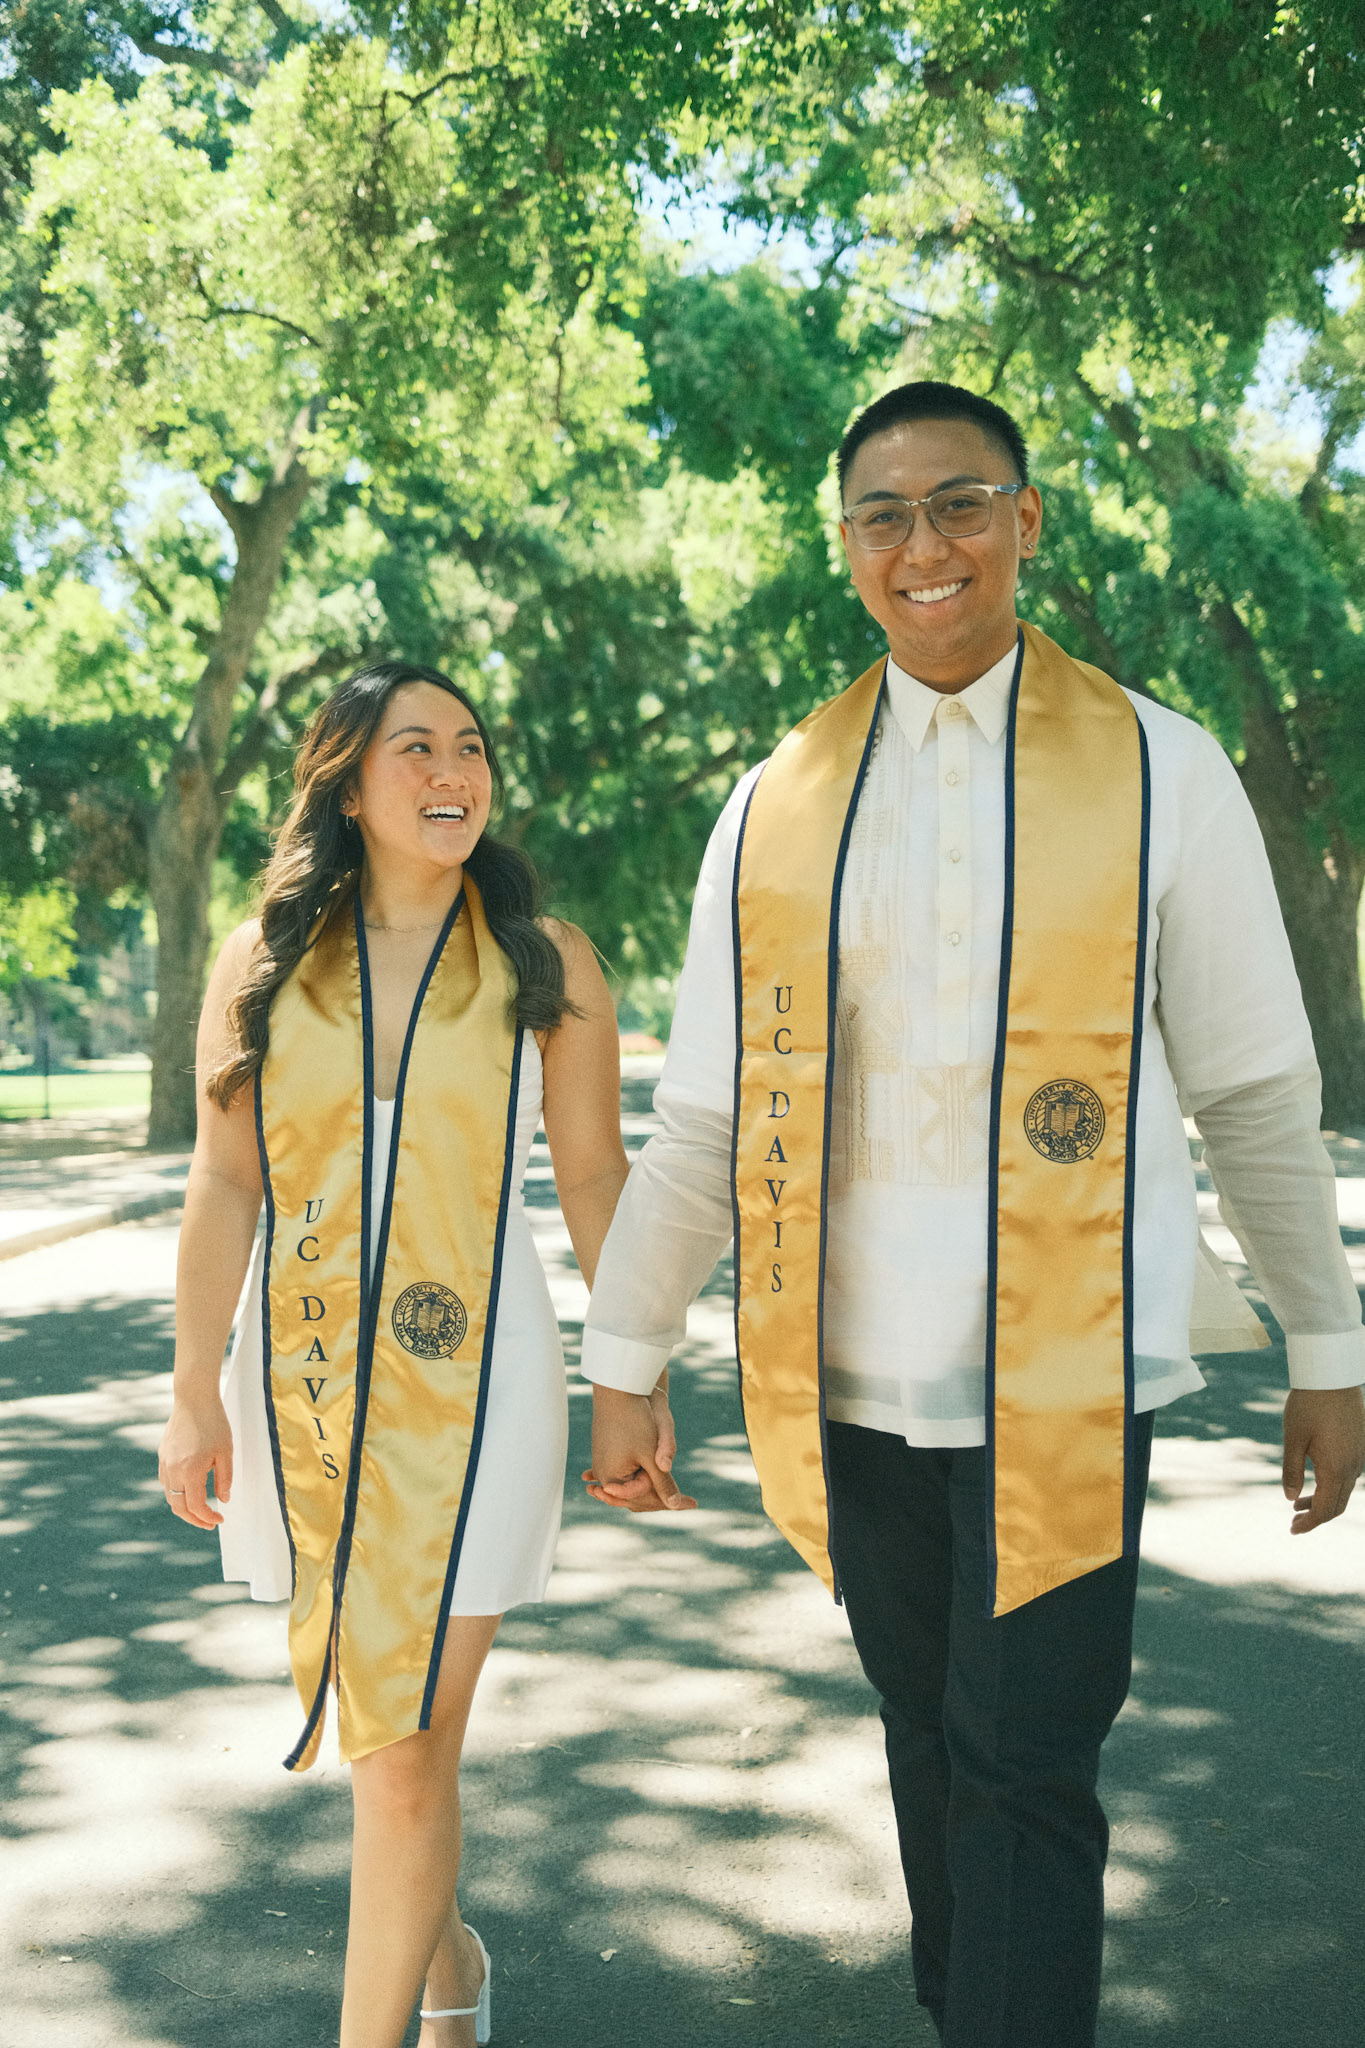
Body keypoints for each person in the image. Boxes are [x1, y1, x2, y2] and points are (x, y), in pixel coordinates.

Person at [579, 383, 1365, 2046]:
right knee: (926, 1732)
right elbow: (707, 1115)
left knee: (1026, 1760)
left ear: (1024, 519)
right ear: (845, 548)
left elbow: (1250, 1086)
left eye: (958, 504)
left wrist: (1326, 1343)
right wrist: (625, 1355)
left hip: (1067, 1365)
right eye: (882, 515)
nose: (921, 545)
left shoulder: (1161, 768)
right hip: (849, 1366)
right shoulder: (775, 798)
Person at [157, 660, 685, 2048]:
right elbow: (226, 1182)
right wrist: (192, 1390)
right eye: (416, 749)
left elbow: (593, 1176)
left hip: (482, 1384)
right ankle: (446, 1964)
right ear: (347, 781)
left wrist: (631, 1374)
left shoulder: (541, 957)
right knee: (393, 1747)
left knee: (400, 1755)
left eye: (470, 747)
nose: (454, 772)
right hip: (307, 1380)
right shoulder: (265, 959)